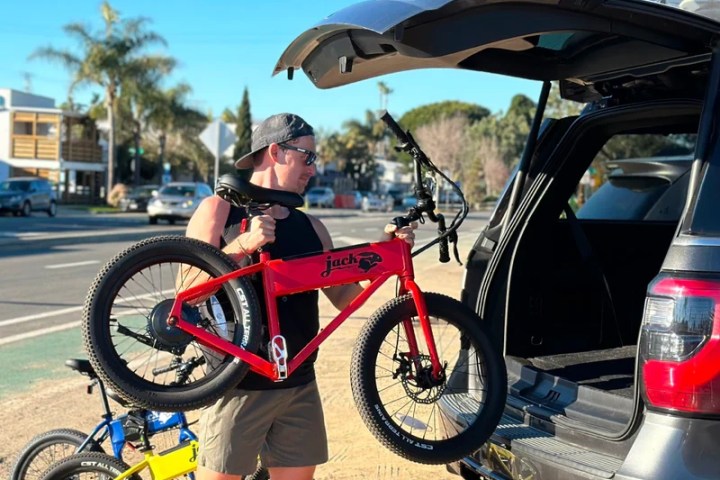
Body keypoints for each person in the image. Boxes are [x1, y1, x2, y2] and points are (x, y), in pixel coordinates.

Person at [186, 113, 417, 480]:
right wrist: (244, 244)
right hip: (238, 385)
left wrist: (383, 255)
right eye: (307, 157)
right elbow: (187, 292)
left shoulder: (312, 227)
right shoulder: (219, 210)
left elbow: (343, 297)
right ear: (275, 152)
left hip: (299, 384)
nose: (314, 169)